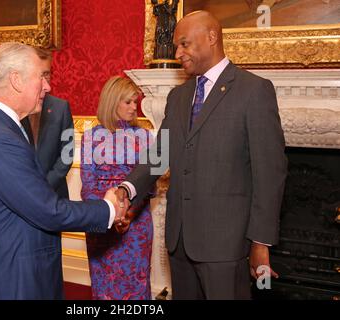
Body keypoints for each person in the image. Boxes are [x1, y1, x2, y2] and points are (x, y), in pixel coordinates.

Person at [116, 11, 288, 299]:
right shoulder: (178, 96)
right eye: (175, 47)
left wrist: (261, 242)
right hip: (179, 241)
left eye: (184, 44)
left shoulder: (254, 90)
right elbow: (160, 153)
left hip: (226, 245)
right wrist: (128, 187)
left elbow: (270, 173)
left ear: (211, 38)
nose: (178, 53)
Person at [0, 42, 127, 300]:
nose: (47, 87)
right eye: (41, 78)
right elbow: (49, 211)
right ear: (16, 80)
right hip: (14, 282)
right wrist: (109, 208)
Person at [81, 76, 154, 300]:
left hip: (137, 225)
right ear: (113, 102)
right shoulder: (90, 137)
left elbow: (151, 186)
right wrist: (111, 213)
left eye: (136, 102)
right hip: (101, 221)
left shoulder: (146, 137)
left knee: (136, 287)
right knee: (104, 288)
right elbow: (88, 185)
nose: (135, 107)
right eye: (128, 102)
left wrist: (128, 214)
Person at [21, 48, 74, 199]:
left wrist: (46, 184)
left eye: (47, 73)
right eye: (40, 74)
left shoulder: (61, 108)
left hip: (55, 193)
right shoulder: (17, 107)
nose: (45, 79)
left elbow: (67, 154)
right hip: (23, 193)